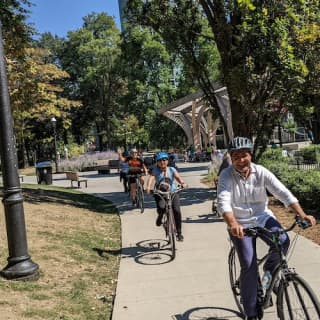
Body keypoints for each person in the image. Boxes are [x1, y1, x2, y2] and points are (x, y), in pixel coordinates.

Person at [217, 137, 316, 320]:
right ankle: (251, 312)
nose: (241, 160)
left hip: (262, 217)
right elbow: (223, 202)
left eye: (244, 155)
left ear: (250, 155)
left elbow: (282, 192)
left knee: (283, 240)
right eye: (236, 157)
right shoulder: (226, 175)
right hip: (240, 224)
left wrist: (302, 214)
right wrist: (233, 224)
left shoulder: (260, 171)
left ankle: (270, 272)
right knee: (249, 265)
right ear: (231, 158)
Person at [146, 151, 187, 241]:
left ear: (167, 161)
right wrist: (148, 188)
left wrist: (183, 183)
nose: (162, 162)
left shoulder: (172, 169)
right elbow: (151, 178)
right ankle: (160, 217)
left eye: (164, 160)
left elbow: (178, 178)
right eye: (160, 160)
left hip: (172, 192)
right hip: (160, 193)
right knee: (161, 208)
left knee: (177, 210)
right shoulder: (155, 170)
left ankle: (179, 233)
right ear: (157, 162)